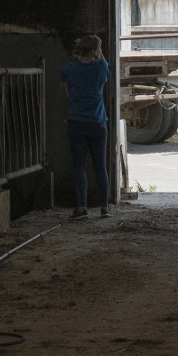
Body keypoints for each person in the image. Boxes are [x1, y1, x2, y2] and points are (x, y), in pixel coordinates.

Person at [61, 34, 112, 220]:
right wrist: (100, 55)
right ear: (95, 50)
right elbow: (108, 72)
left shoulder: (69, 69)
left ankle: (81, 208)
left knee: (79, 167)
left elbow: (66, 92)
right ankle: (105, 207)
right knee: (100, 166)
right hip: (97, 122)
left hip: (76, 122)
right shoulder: (100, 68)